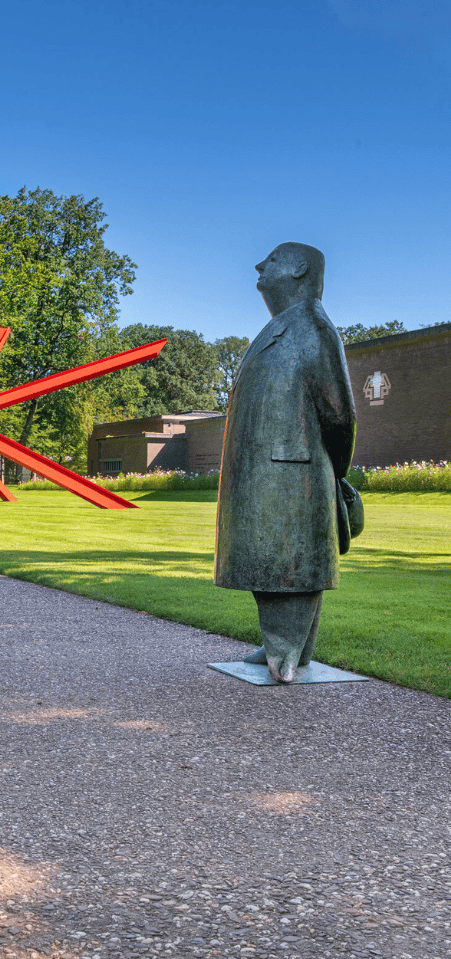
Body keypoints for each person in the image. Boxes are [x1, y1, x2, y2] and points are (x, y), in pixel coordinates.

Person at [214, 242, 356, 682]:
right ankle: (288, 644)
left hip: (292, 473)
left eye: (272, 259)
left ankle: (286, 650)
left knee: (284, 560)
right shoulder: (283, 327)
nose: (259, 265)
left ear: (298, 269)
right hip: (272, 472)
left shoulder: (312, 327)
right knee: (272, 557)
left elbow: (339, 414)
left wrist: (334, 471)